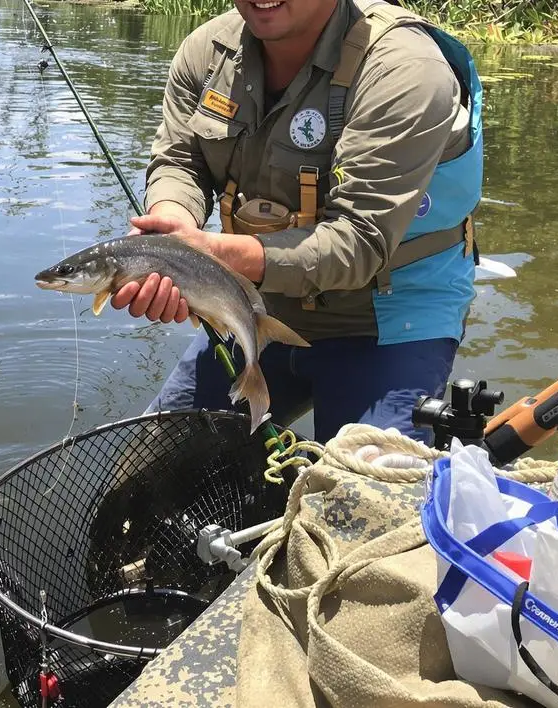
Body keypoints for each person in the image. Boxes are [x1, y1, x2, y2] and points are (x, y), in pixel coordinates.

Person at [111, 0, 483, 445]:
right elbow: (181, 162)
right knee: (152, 466)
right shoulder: (207, 52)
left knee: (355, 487)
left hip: (389, 321)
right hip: (256, 307)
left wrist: (206, 255)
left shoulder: (406, 70)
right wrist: (170, 228)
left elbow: (358, 242)